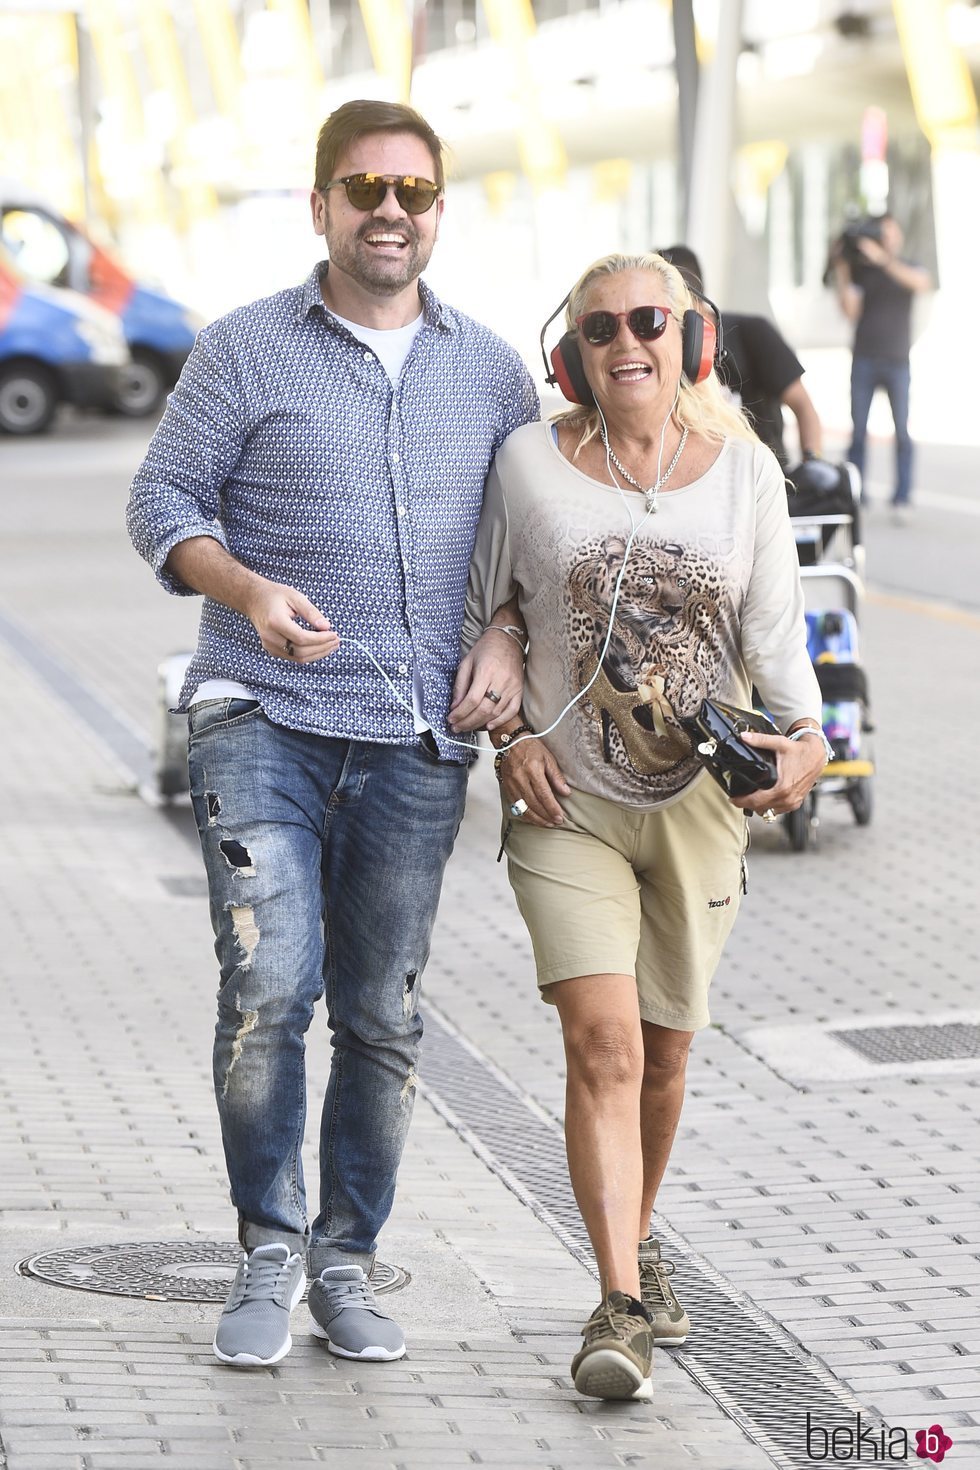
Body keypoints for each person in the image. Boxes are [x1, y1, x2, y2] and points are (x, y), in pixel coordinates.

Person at [127, 98, 538, 1370]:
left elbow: (527, 548)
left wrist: (510, 636)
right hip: (264, 717)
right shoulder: (246, 348)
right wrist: (246, 592)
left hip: (418, 739)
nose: (389, 212)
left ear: (436, 212)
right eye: (363, 188)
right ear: (320, 206)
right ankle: (265, 1250)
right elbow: (161, 499)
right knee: (268, 986)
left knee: (382, 1013)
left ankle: (345, 1267)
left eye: (412, 192)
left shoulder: (489, 370)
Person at [459, 251, 830, 1403]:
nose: (627, 342)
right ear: (569, 355)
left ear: (692, 338)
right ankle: (616, 1303)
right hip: (564, 799)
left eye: (650, 320)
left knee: (663, 1057)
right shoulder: (527, 461)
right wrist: (507, 736)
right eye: (601, 326)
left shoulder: (745, 475)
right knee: (605, 1045)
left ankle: (637, 1233)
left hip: (696, 809)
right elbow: (483, 608)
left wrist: (810, 738)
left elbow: (775, 642)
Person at [659, 244, 823, 469]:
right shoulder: (658, 351)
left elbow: (804, 408)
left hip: (762, 484)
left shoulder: (755, 333)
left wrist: (812, 466)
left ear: (686, 297)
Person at [829, 214, 930, 516]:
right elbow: (850, 311)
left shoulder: (907, 267)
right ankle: (856, 494)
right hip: (864, 359)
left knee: (902, 431)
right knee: (858, 431)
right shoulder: (863, 272)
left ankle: (902, 497)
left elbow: (921, 284)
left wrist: (883, 259)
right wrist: (843, 271)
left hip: (897, 361)